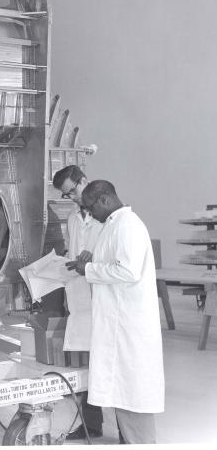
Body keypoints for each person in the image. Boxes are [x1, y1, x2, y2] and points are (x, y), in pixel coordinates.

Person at [67, 181, 164, 444]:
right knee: (122, 389)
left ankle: (139, 443)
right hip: (117, 321)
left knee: (132, 389)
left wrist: (88, 270)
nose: (90, 214)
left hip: (129, 325)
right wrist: (90, 262)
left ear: (105, 200)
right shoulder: (112, 225)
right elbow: (114, 264)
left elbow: (128, 271)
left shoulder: (127, 225)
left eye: (90, 207)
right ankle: (128, 440)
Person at [52, 165, 104, 439]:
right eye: (66, 194)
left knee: (109, 365)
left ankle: (126, 431)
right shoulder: (74, 218)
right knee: (86, 364)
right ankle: (90, 425)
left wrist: (91, 260)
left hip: (103, 299)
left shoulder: (109, 217)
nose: (71, 197)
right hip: (80, 299)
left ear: (85, 180)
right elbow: (73, 254)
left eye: (73, 190)